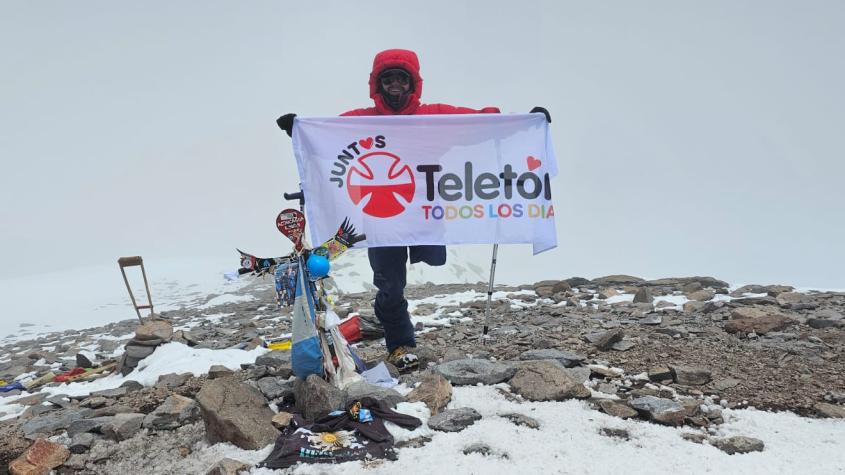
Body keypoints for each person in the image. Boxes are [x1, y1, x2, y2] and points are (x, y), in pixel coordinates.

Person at [277, 48, 550, 371]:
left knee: (423, 269)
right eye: (388, 78)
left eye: (401, 79)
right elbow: (324, 134)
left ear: (412, 84)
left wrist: (523, 123)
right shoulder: (361, 122)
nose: (395, 85)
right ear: (377, 84)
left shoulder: (432, 117)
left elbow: (480, 121)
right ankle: (400, 343)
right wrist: (298, 127)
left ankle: (383, 319)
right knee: (390, 284)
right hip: (381, 220)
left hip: (425, 213)